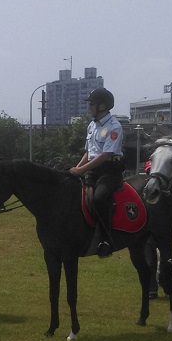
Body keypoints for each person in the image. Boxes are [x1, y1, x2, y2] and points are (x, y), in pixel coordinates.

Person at [68, 88, 124, 257]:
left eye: (92, 103)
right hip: (92, 170)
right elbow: (89, 152)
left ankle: (106, 240)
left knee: (99, 198)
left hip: (109, 171)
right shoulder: (92, 125)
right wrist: (76, 169)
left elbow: (105, 154)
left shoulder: (114, 127)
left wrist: (82, 170)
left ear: (102, 106)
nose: (89, 107)